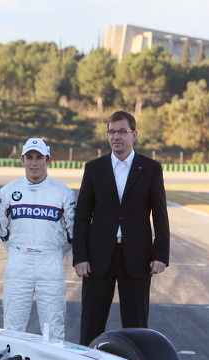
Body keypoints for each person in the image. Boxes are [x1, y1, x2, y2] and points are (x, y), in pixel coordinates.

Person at [72, 110, 170, 346]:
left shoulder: (150, 169)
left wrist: (160, 255)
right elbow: (83, 216)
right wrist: (80, 257)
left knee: (137, 330)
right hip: (98, 259)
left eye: (122, 132)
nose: (116, 137)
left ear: (134, 134)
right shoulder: (94, 168)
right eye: (112, 132)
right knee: (91, 327)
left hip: (137, 259)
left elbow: (160, 215)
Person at [0, 138, 77, 338]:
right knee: (12, 327)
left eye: (39, 158)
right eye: (29, 157)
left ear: (48, 160)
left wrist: (52, 252)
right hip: (18, 260)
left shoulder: (63, 193)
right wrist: (19, 249)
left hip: (50, 262)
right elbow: (2, 229)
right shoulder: (8, 192)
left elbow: (71, 234)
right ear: (22, 160)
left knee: (54, 328)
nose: (34, 163)